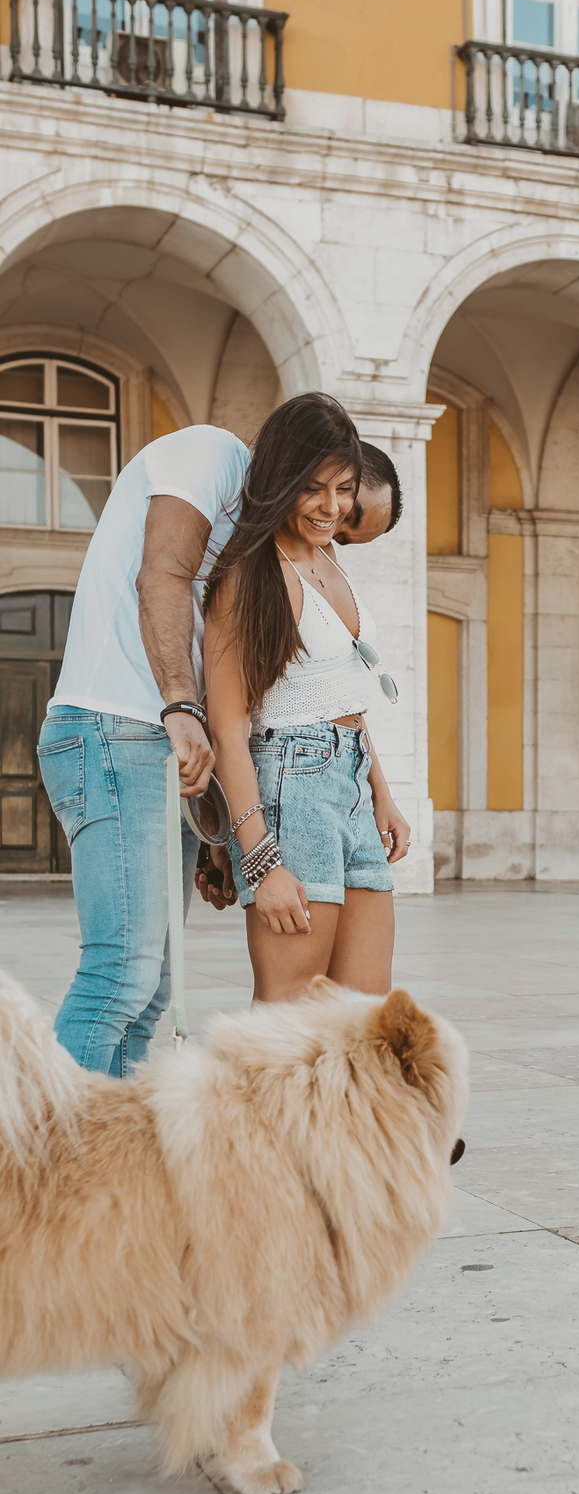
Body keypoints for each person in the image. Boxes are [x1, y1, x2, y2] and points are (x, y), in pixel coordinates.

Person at [37, 404, 400, 1075]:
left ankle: (110, 1163)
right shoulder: (210, 455)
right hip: (116, 722)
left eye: (342, 504)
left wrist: (220, 834)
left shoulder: (265, 541)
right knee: (122, 974)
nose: (330, 521)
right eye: (324, 492)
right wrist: (180, 706)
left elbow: (237, 685)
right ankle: (42, 1165)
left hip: (174, 748)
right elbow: (164, 575)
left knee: (151, 995)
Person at [203, 396, 410, 1003]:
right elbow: (230, 728)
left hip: (348, 782)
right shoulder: (250, 574)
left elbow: (343, 691)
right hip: (291, 787)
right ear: (281, 481)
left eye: (343, 489)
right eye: (313, 488)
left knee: (362, 1016)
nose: (331, 507)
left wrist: (382, 793)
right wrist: (260, 862)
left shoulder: (327, 560)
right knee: (288, 1021)